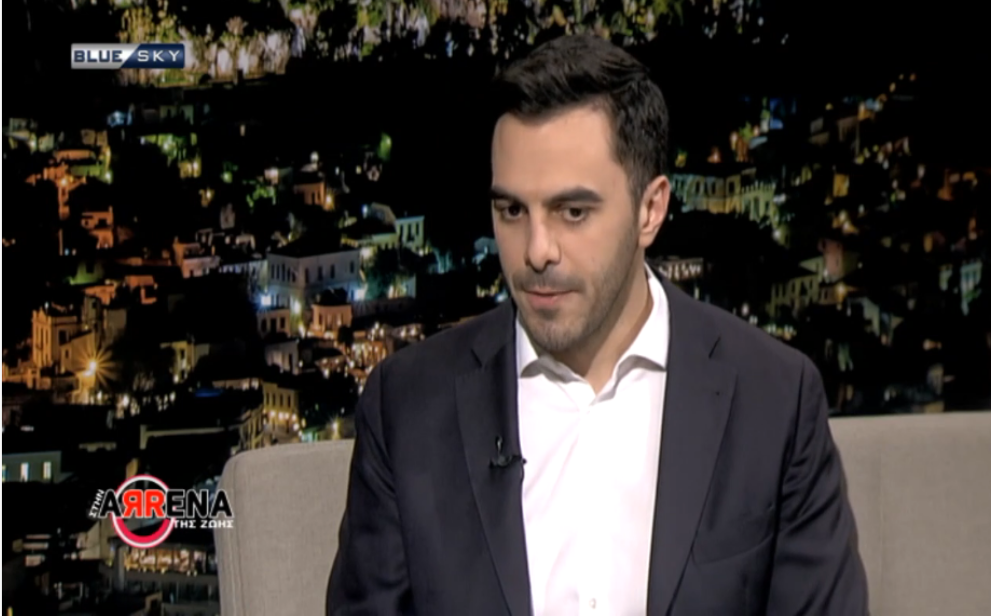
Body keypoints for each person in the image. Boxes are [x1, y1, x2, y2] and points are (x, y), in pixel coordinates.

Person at [327, 34, 868, 615]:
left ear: (650, 210)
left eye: (573, 212)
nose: (537, 250)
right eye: (512, 210)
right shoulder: (406, 407)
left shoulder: (776, 399)